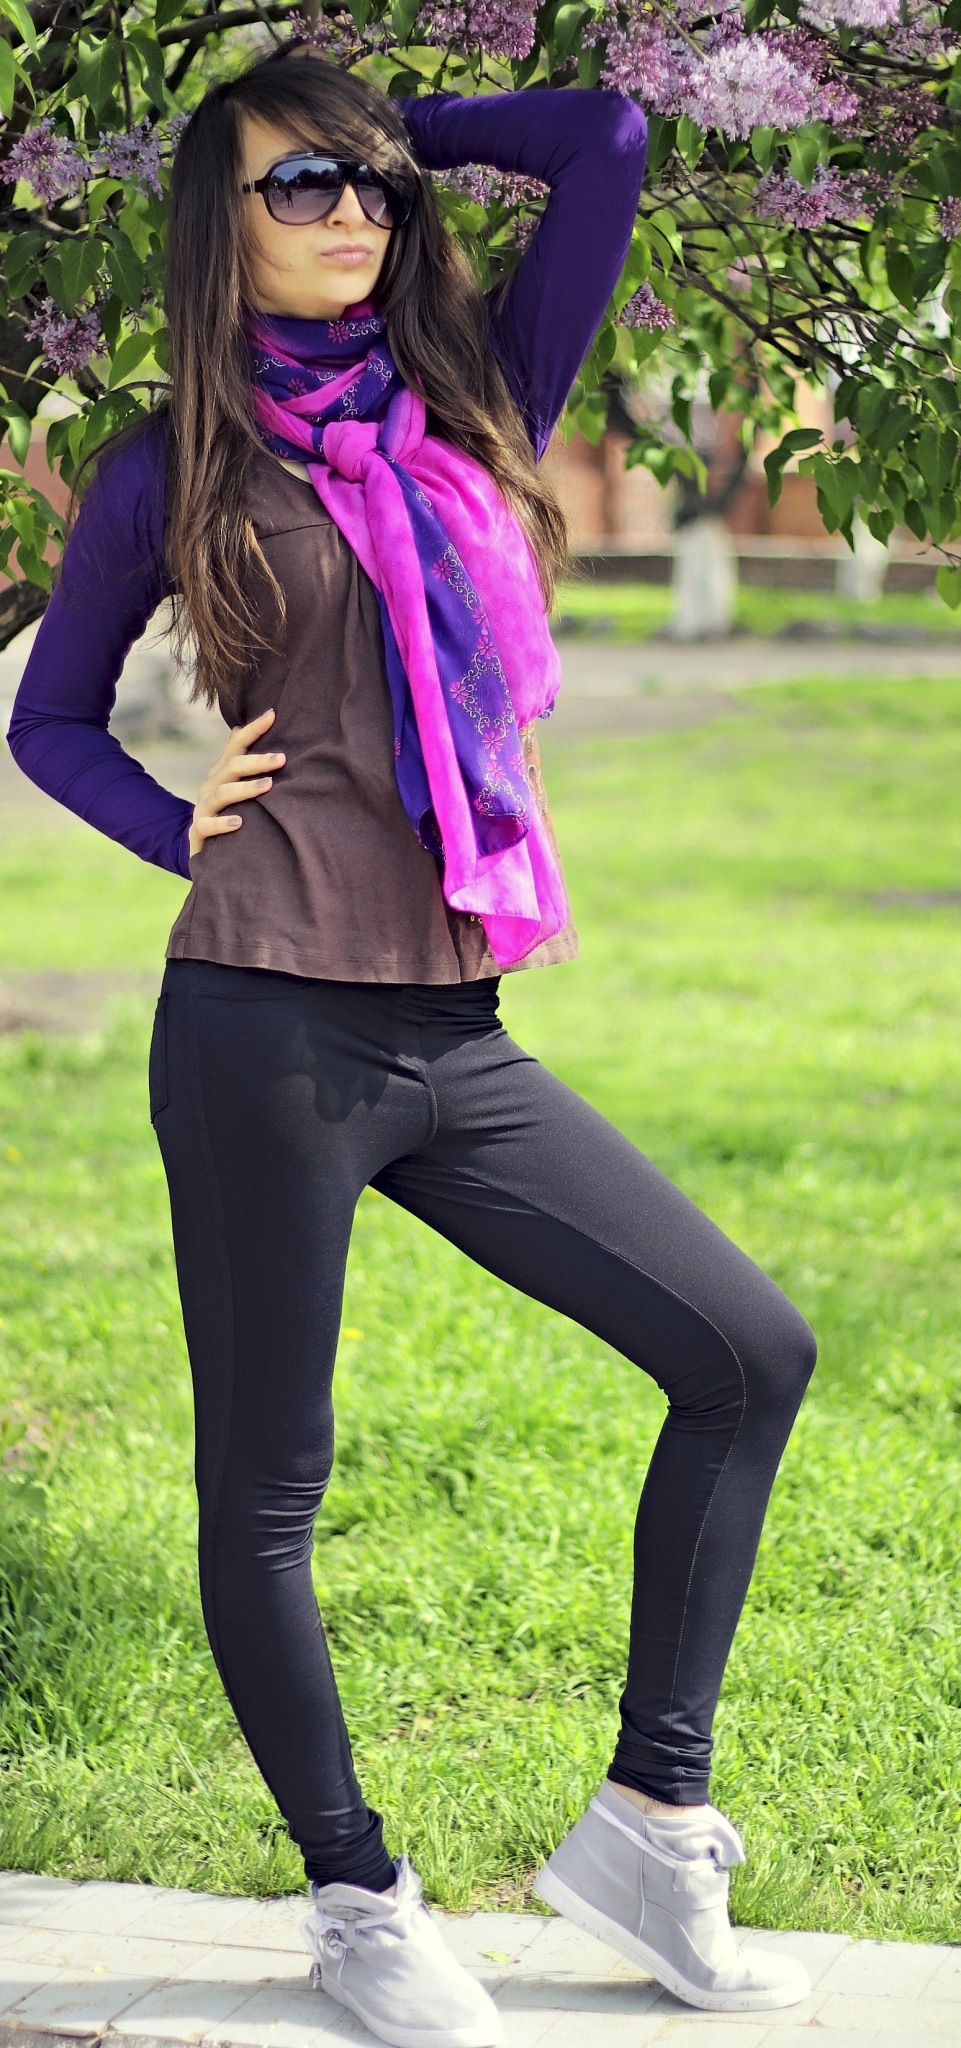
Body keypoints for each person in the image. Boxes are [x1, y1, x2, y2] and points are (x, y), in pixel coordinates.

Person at [8, 43, 817, 2048]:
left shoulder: (469, 400)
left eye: (368, 183)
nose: (352, 213)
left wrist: (377, 129)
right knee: (268, 1487)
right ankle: (356, 1892)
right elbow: (51, 717)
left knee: (745, 1352)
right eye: (299, 188)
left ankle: (650, 1822)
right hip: (264, 1027)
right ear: (219, 223)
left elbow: (606, 135)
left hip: (457, 1033)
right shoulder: (173, 464)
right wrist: (172, 825)